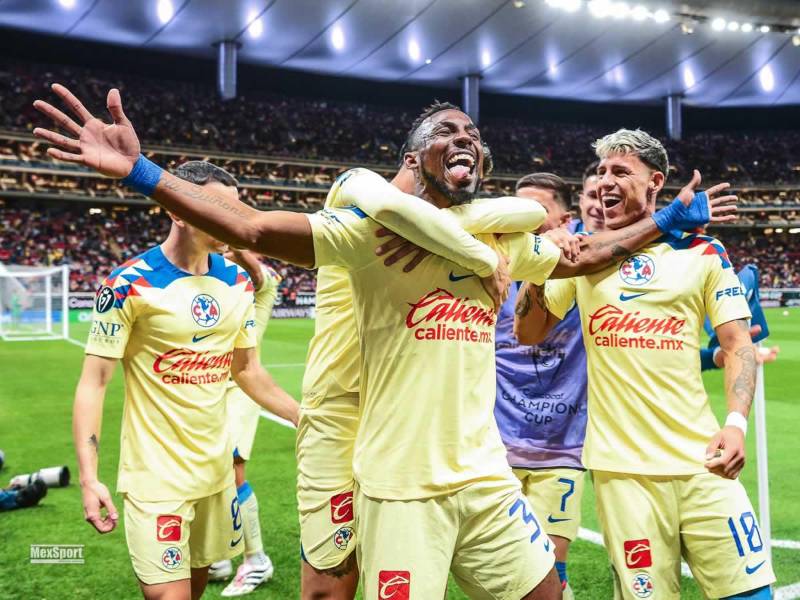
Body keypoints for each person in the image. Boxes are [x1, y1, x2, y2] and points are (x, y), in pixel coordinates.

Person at [34, 87, 732, 599]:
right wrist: (142, 173)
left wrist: (667, 222)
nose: (465, 137)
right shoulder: (364, 221)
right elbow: (252, 227)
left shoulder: (499, 232)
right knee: (330, 583)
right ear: (412, 156)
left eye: (473, 133)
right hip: (357, 434)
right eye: (446, 130)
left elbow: (581, 253)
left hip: (471, 462)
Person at [515, 129, 774, 600]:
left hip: (704, 462)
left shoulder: (702, 251)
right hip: (623, 474)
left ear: (655, 181)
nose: (606, 181)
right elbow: (528, 332)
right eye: (601, 172)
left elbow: (738, 342)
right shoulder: (584, 257)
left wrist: (736, 424)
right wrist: (540, 270)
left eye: (620, 171)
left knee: (751, 593)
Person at [70, 161, 298, 600]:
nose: (231, 221)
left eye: (235, 211)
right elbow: (93, 383)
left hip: (216, 474)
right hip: (155, 478)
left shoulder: (237, 281)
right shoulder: (128, 284)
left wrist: (300, 415)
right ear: (177, 211)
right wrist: (88, 476)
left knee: (194, 590)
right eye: (218, 209)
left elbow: (247, 370)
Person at [494, 173, 587, 600]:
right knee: (503, 574)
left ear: (566, 219)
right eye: (519, 209)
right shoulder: (488, 263)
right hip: (496, 449)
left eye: (538, 211)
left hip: (561, 447)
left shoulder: (585, 264)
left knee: (551, 568)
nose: (525, 219)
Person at [208, 250, 291, 596]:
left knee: (233, 470)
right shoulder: (217, 277)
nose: (226, 251)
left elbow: (254, 273)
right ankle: (220, 556)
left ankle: (256, 559)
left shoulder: (263, 278)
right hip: (209, 391)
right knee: (210, 473)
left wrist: (230, 237)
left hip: (241, 390)